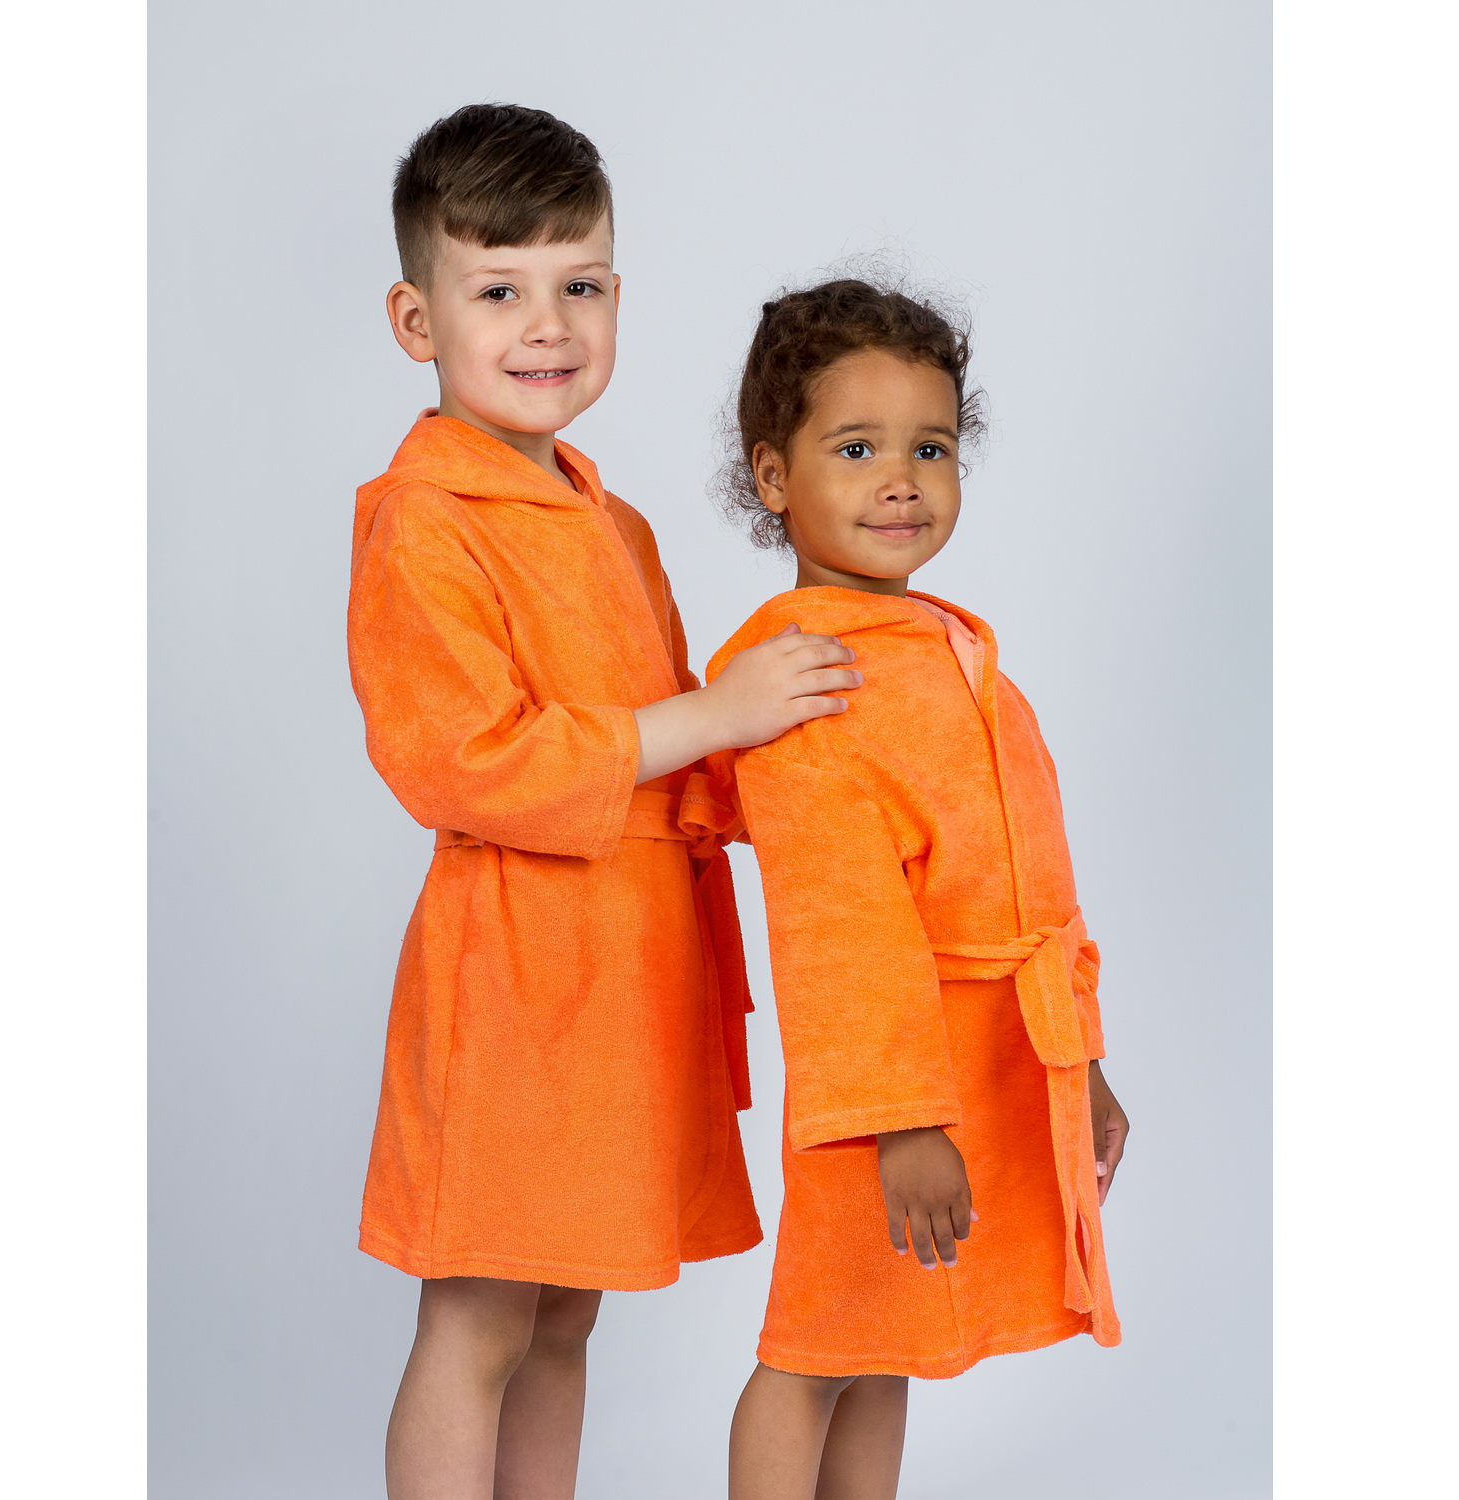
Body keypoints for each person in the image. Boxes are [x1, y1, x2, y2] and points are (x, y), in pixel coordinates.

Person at [347, 105, 863, 1500]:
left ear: (618, 297)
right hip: (517, 972)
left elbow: (684, 752)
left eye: (579, 285)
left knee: (567, 1313)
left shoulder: (613, 522)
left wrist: (806, 748)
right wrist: (716, 716)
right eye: (498, 292)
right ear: (416, 318)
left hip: (628, 971)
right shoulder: (423, 518)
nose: (547, 326)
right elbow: (461, 757)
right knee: (479, 1314)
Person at [705, 279, 1129, 1500]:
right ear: (773, 475)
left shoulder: (955, 652)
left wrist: (1081, 1057)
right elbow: (837, 925)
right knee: (815, 1348)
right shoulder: (806, 682)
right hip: (883, 1087)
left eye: (930, 448)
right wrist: (899, 1120)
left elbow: (1040, 884)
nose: (901, 480)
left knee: (890, 1347)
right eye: (856, 449)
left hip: (989, 1057)